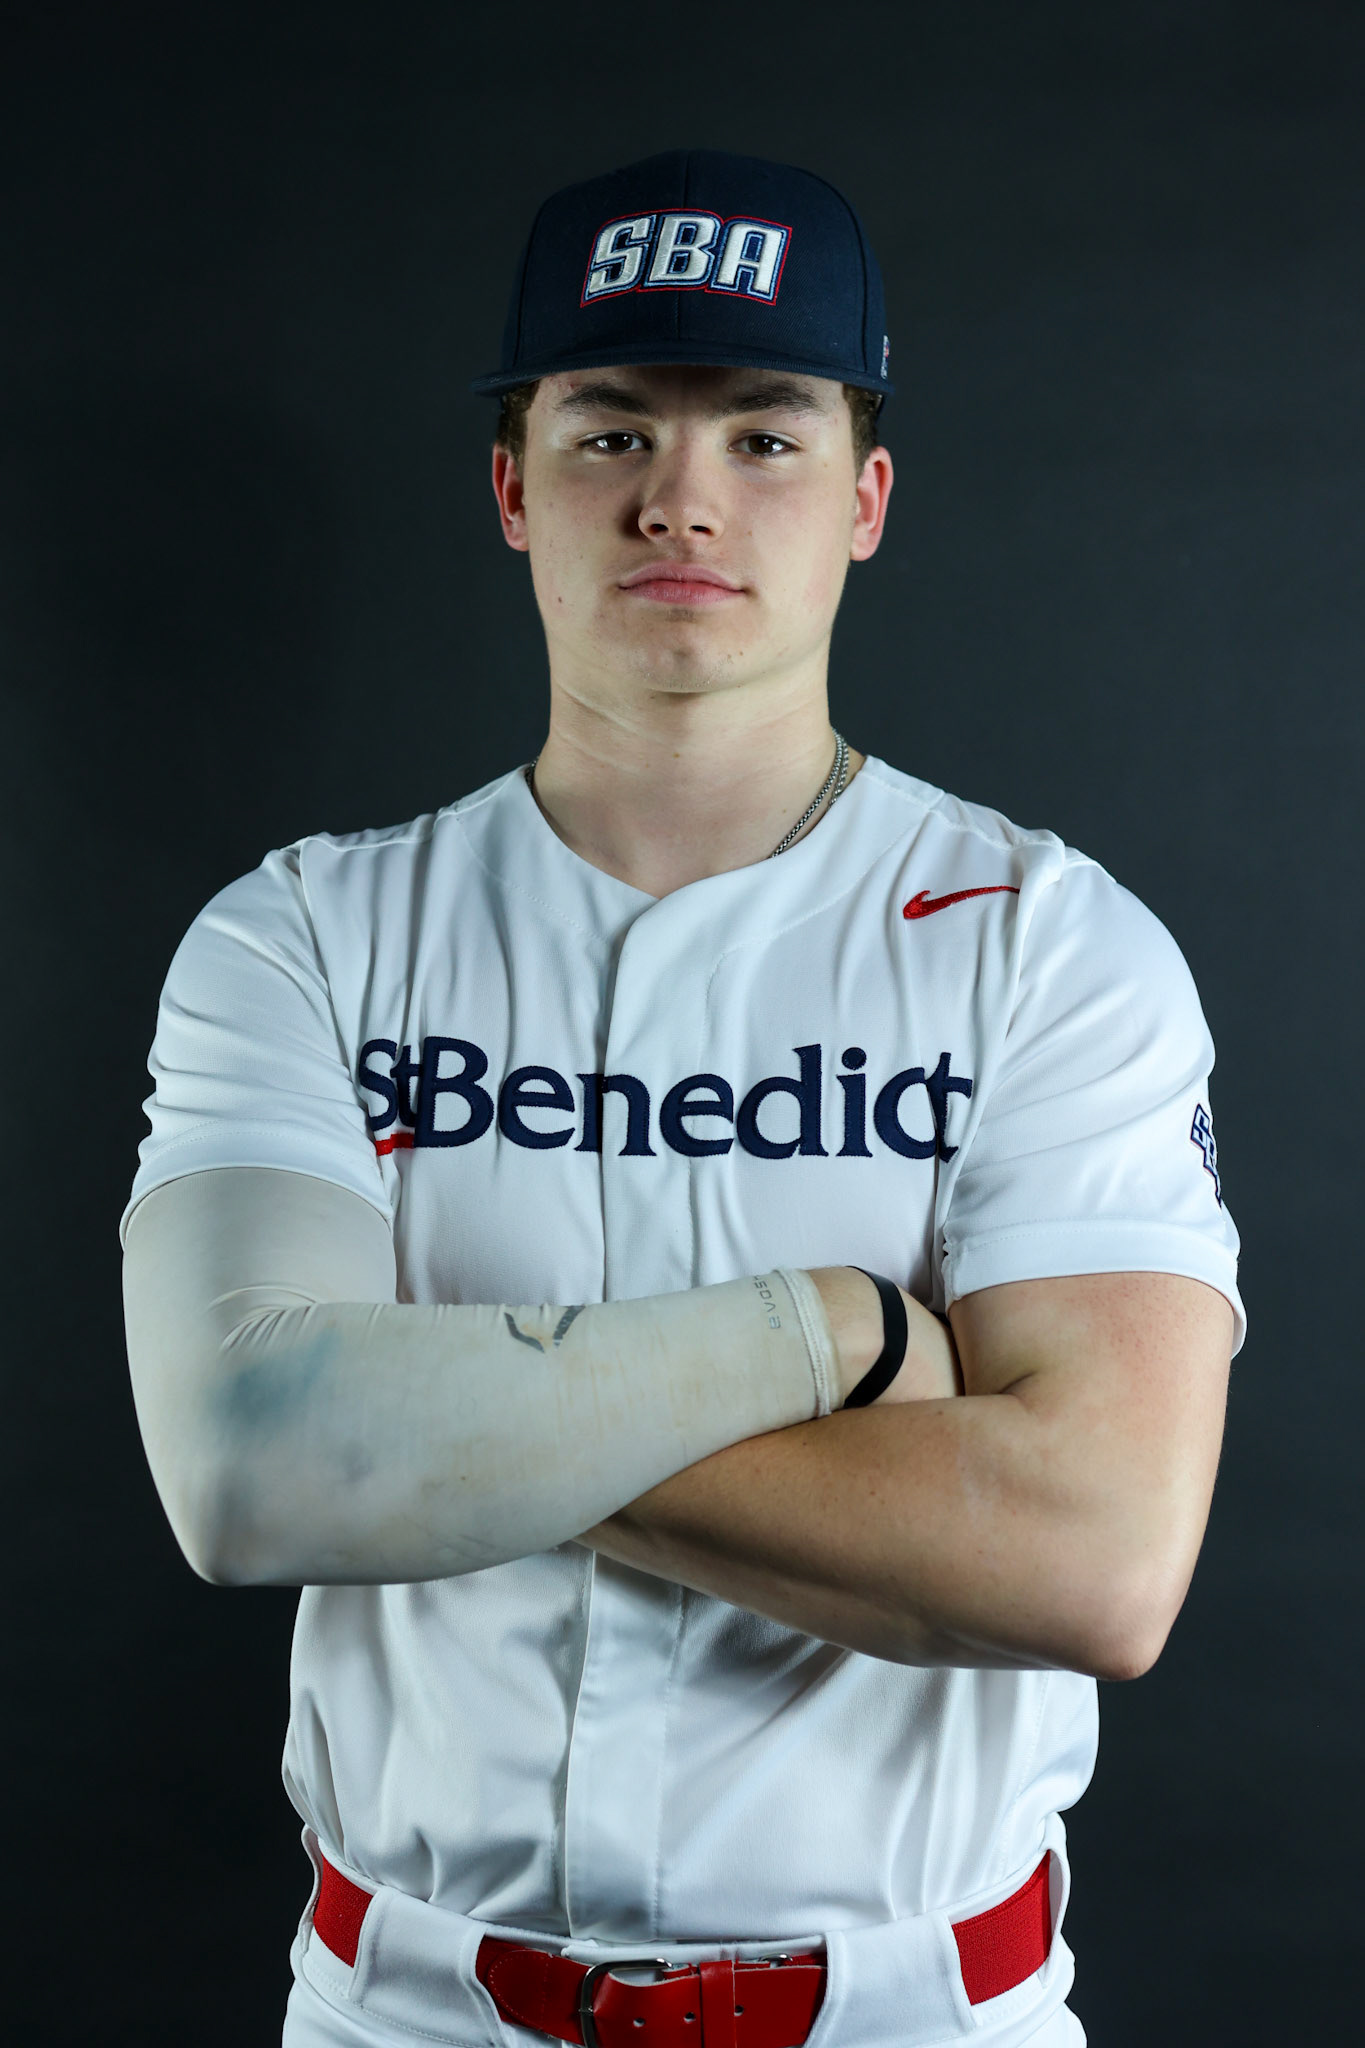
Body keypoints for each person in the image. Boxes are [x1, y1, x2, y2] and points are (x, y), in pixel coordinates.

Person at [119, 149, 1243, 2048]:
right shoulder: (305, 930)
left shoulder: (1047, 946)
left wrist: (425, 1417)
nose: (680, 498)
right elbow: (247, 1467)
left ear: (868, 499)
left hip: (907, 2017)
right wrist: (838, 1336)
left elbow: (1095, 1556)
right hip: (412, 2009)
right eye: (611, 425)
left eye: (766, 433)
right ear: (512, 488)